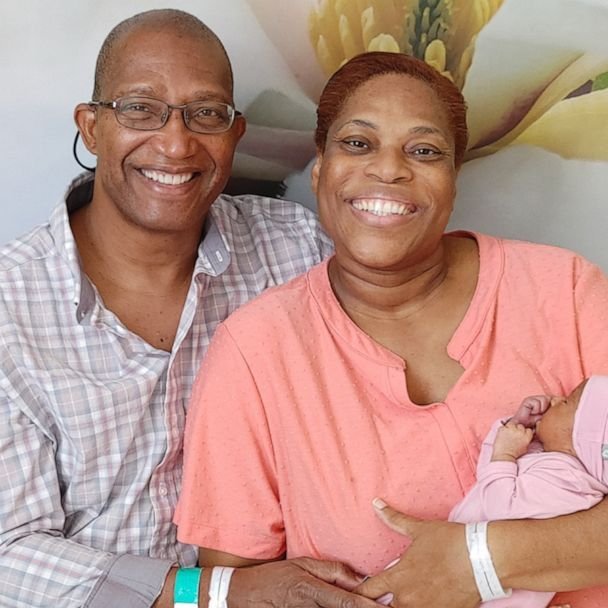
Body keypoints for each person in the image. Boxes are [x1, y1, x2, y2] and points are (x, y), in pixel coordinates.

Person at [175, 51, 608, 608]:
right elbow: (242, 589)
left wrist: (481, 562)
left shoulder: (564, 290)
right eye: (358, 143)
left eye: (424, 151)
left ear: (453, 180)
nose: (389, 169)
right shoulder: (255, 353)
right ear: (319, 170)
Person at [0, 9, 387, 608]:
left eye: (206, 114)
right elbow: (10, 555)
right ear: (91, 127)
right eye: (140, 108)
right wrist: (216, 594)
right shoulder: (10, 306)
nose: (176, 143)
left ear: (236, 133)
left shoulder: (295, 248)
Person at [448, 376, 608, 607]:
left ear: (580, 439)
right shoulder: (555, 463)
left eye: (566, 403)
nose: (555, 399)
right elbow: (488, 477)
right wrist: (516, 427)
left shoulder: (569, 483)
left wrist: (505, 454)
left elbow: (499, 508)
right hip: (465, 561)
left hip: (489, 589)